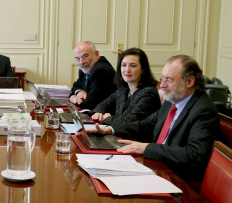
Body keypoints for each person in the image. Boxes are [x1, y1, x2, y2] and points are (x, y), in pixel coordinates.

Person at [87, 55, 221, 181]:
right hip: (155, 167)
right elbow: (145, 125)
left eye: (169, 80)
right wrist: (109, 129)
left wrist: (146, 148)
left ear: (190, 81)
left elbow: (195, 154)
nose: (162, 85)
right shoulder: (172, 101)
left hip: (177, 177)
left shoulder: (203, 110)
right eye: (162, 79)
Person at [91, 48, 161, 125]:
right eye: (123, 65)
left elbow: (128, 123)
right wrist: (99, 113)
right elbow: (103, 105)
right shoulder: (123, 89)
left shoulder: (149, 93)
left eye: (133, 66)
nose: (127, 70)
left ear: (143, 69)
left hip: (134, 136)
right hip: (117, 133)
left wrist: (107, 119)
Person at [69, 41, 117, 109]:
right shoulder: (85, 68)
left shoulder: (101, 71)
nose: (81, 62)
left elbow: (90, 104)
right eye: (77, 59)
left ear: (96, 54)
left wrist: (74, 99)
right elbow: (75, 86)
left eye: (85, 56)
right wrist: (80, 91)